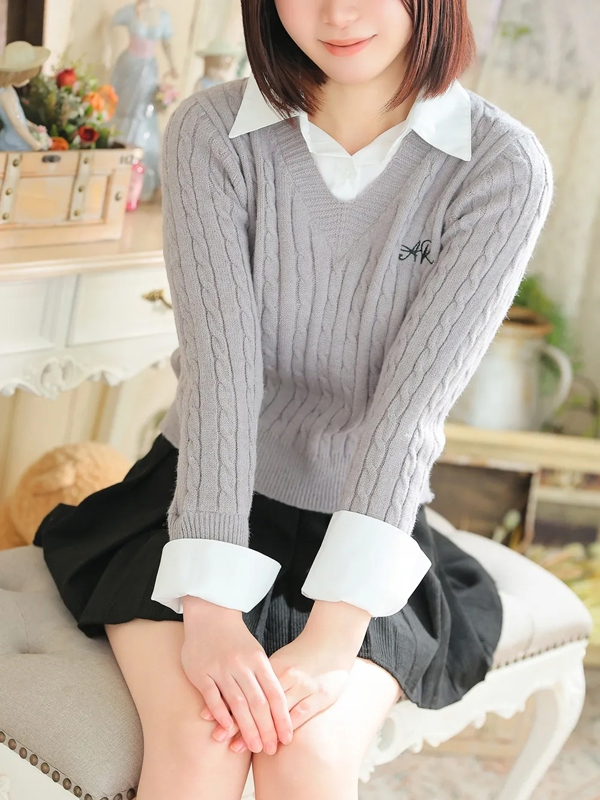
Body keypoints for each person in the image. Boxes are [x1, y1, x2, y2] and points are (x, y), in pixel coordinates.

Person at [33, 0, 554, 798]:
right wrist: (210, 612)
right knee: (202, 745)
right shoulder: (213, 132)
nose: (337, 13)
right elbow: (222, 378)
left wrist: (335, 635)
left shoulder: (500, 166)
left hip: (366, 520)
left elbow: (407, 416)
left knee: (305, 754)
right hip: (196, 499)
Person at [107, 0, 179, 200]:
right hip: (128, 66)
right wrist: (107, 51)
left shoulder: (162, 16)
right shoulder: (129, 11)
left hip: (148, 69)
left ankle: (137, 174)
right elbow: (109, 25)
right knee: (123, 107)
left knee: (143, 111)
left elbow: (167, 44)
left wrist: (173, 65)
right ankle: (117, 157)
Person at [0, 40, 50, 152]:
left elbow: (19, 118)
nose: (28, 81)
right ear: (16, 74)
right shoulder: (6, 96)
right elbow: (16, 124)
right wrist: (35, 144)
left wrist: (32, 126)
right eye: (26, 77)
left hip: (20, 135)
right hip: (15, 141)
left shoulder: (9, 90)